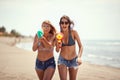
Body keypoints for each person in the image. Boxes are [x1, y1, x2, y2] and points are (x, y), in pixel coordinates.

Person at [56, 15, 83, 80]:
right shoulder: (58, 35)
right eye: (62, 23)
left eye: (66, 23)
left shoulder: (74, 33)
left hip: (74, 60)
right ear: (60, 24)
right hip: (62, 60)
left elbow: (81, 46)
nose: (64, 24)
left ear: (69, 24)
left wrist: (79, 57)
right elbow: (57, 50)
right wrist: (58, 44)